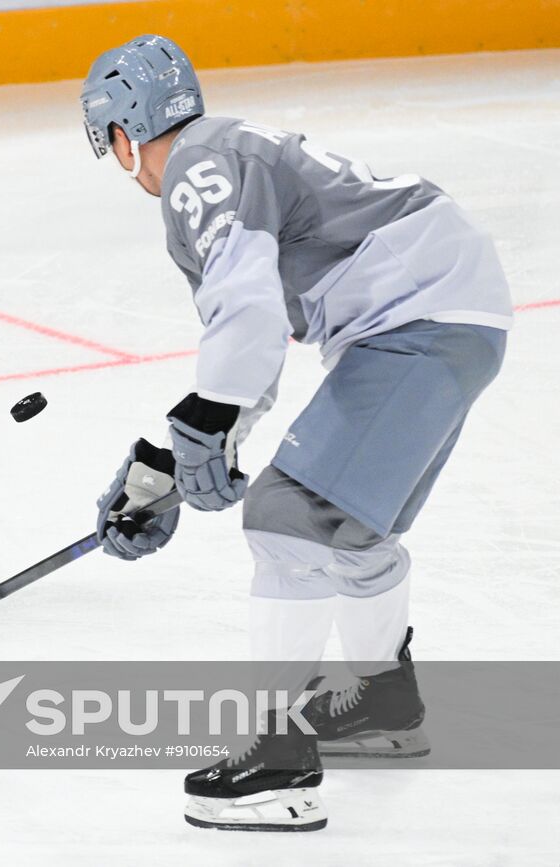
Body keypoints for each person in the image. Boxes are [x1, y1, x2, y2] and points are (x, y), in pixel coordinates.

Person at [80, 36, 510, 831]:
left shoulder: (194, 171)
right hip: (452, 310)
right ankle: (384, 702)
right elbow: (256, 339)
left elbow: (243, 317)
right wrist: (172, 462)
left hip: (422, 317)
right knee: (346, 525)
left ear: (119, 135)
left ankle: (275, 757)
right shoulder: (229, 148)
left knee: (287, 515)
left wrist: (205, 428)